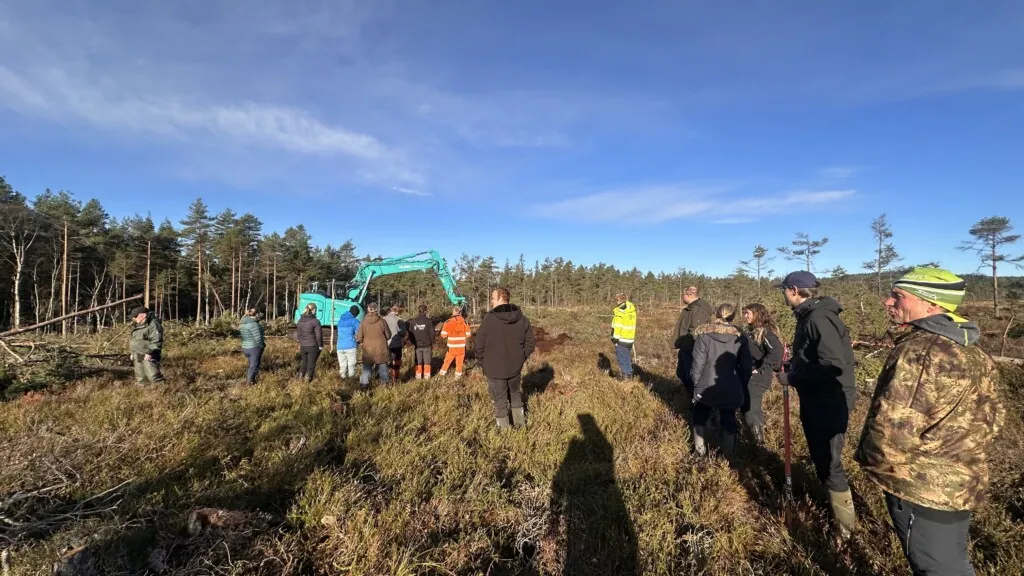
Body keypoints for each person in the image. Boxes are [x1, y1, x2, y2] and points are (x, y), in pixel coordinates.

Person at [856, 268, 1005, 575]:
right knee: (951, 563)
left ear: (932, 304)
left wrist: (875, 466)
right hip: (962, 481)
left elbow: (892, 433)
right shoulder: (973, 351)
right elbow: (994, 419)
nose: (887, 302)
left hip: (922, 487)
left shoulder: (920, 351)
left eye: (899, 296)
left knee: (938, 569)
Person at [775, 271, 858, 539]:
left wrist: (792, 377)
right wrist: (795, 365)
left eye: (784, 290)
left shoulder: (818, 318)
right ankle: (834, 513)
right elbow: (816, 357)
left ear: (795, 290)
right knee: (823, 461)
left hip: (829, 401)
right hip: (820, 398)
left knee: (831, 464)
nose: (783, 294)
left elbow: (832, 364)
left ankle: (846, 534)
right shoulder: (811, 316)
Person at [689, 303, 752, 458]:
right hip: (731, 385)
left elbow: (697, 364)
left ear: (716, 314)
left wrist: (696, 384)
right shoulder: (740, 338)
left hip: (706, 385)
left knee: (700, 416)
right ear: (732, 317)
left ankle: (699, 453)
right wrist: (741, 383)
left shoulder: (704, 336)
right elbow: (746, 367)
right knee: (728, 417)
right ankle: (728, 457)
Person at [474, 287, 535, 429]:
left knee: (499, 401)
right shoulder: (522, 318)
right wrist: (520, 358)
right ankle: (520, 426)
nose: (491, 301)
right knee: (515, 397)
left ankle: (505, 434)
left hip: (494, 371)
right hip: (514, 368)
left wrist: (484, 363)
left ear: (502, 298)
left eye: (493, 298)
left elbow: (478, 345)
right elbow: (530, 343)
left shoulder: (489, 320)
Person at [741, 303, 784, 444]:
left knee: (751, 411)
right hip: (749, 376)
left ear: (757, 315)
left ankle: (758, 444)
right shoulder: (750, 331)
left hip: (758, 378)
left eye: (748, 313)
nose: (745, 315)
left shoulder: (765, 333)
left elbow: (777, 351)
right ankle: (756, 441)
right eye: (745, 313)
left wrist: (760, 368)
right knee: (750, 409)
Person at [673, 286, 713, 393]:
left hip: (692, 349)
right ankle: (690, 396)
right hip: (686, 347)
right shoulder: (691, 307)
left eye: (683, 295)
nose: (682, 297)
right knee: (682, 373)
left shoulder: (699, 309)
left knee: (692, 377)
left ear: (689, 295)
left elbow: (696, 332)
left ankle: (695, 400)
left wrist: (686, 346)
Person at [356, 302, 392, 390]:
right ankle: (385, 388)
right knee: (383, 370)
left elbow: (359, 338)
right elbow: (388, 335)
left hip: (368, 350)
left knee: (366, 370)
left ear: (368, 309)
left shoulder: (363, 322)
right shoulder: (382, 321)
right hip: (381, 349)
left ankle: (364, 386)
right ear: (377, 309)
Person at [129, 305, 164, 385]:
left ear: (143, 315)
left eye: (135, 316)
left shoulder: (153, 324)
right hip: (137, 355)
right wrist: (132, 353)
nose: (133, 318)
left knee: (153, 376)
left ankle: (163, 392)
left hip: (149, 355)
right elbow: (136, 341)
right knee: (141, 378)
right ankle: (145, 394)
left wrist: (150, 352)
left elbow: (157, 340)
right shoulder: (138, 326)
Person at [439, 306, 472, 378]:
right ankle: (457, 378)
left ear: (453, 312)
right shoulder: (465, 323)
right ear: (460, 312)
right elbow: (468, 335)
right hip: (461, 348)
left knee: (447, 362)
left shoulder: (447, 322)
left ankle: (441, 376)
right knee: (459, 364)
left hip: (451, 347)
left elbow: (443, 335)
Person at [610, 293, 637, 380]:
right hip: (630, 339)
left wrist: (614, 339)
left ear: (618, 300)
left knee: (622, 359)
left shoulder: (620, 313)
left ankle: (626, 380)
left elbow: (618, 328)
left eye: (616, 300)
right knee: (627, 359)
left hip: (622, 340)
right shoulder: (632, 311)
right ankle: (629, 376)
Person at [295, 302, 323, 382]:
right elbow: (319, 335)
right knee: (311, 365)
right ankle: (307, 381)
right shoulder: (315, 321)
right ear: (313, 310)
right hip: (313, 346)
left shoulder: (300, 321)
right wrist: (320, 346)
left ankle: (300, 379)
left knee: (304, 362)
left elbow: (299, 334)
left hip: (303, 346)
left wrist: (301, 343)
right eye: (316, 310)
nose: (316, 311)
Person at [408, 305, 435, 379]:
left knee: (418, 361)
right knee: (427, 362)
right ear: (425, 311)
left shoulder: (413, 321)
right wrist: (431, 342)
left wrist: (414, 342)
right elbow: (432, 334)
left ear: (418, 311)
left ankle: (418, 377)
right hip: (427, 345)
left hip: (417, 345)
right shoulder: (428, 321)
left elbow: (410, 334)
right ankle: (427, 377)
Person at [239, 308, 265, 385]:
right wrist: (262, 346)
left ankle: (253, 380)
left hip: (245, 347)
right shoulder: (254, 325)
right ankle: (249, 383)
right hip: (254, 347)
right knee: (253, 366)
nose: (259, 316)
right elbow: (258, 338)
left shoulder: (243, 323)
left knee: (252, 365)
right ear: (256, 314)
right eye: (258, 314)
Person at [336, 305, 361, 379]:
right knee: (351, 366)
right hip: (350, 346)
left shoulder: (340, 320)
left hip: (339, 346)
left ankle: (342, 381)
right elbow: (359, 333)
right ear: (355, 314)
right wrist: (358, 340)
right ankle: (351, 381)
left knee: (342, 366)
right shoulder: (354, 321)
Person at [383, 305, 407, 382]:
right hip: (397, 344)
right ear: (397, 312)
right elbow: (403, 333)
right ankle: (395, 379)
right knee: (396, 361)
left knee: (386, 361)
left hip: (386, 344)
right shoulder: (399, 320)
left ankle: (385, 378)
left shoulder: (383, 319)